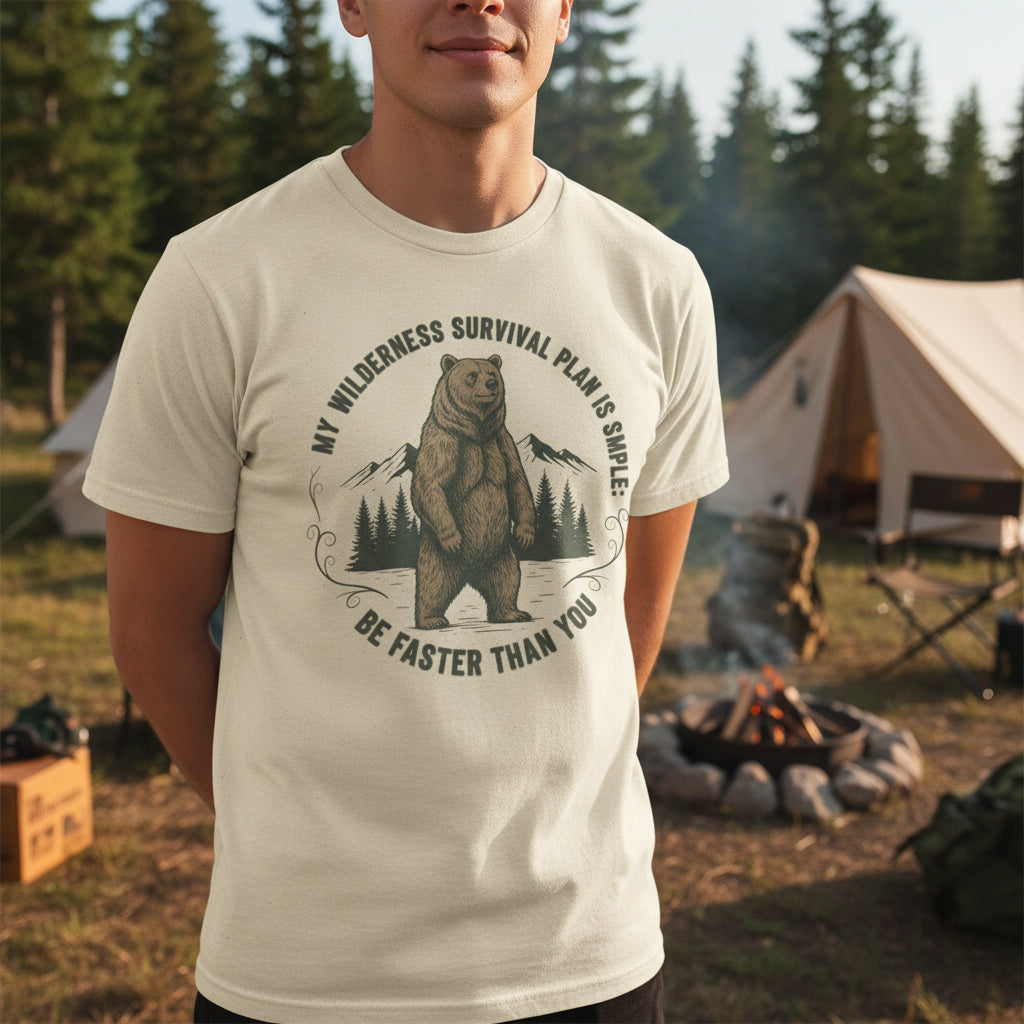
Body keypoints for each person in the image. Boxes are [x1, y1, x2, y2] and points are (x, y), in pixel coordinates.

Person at [84, 0, 729, 1021]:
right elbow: (151, 633)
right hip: (304, 975)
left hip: (587, 959)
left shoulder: (656, 285)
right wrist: (291, 832)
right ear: (350, 4)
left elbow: (625, 618)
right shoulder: (219, 278)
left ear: (563, 7)